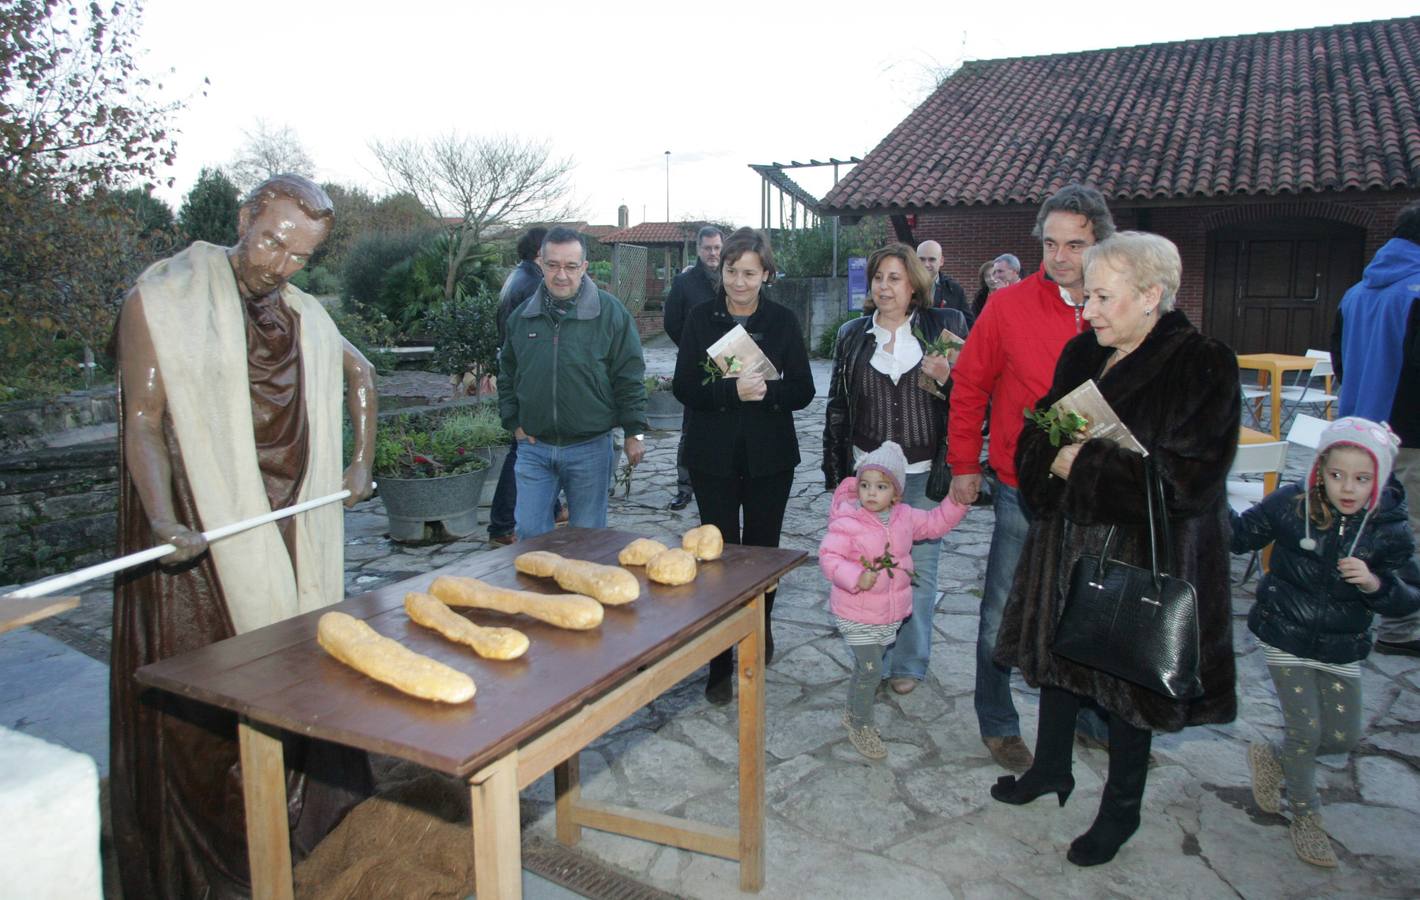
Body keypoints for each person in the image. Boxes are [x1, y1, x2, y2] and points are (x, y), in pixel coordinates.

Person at [110, 174, 377, 898]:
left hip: (284, 527)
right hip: (198, 532)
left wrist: (360, 461)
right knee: (205, 707)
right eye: (271, 242)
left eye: (300, 257)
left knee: (294, 672)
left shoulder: (304, 316)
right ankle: (216, 855)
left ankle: (294, 825)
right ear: (245, 217)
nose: (278, 265)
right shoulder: (163, 302)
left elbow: (362, 374)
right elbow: (142, 421)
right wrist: (165, 520)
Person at [990, 232, 1240, 868]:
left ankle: (1120, 811)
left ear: (1151, 295)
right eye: (1086, 297)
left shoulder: (1202, 363)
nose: (1087, 310)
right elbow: (1036, 440)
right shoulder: (1081, 354)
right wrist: (1055, 460)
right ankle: (1050, 770)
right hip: (1066, 543)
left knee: (1128, 683)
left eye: (1101, 296)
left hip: (1141, 554)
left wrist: (1086, 463)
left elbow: (1190, 484)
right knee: (1056, 659)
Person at [947, 183, 1115, 772]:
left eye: (1075, 244)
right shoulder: (1008, 306)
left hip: (1099, 491)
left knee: (1088, 608)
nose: (1060, 256)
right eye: (1050, 243)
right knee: (1001, 608)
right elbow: (968, 386)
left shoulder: (1118, 311)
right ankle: (997, 720)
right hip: (1023, 488)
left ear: (1100, 244)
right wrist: (966, 464)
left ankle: (1093, 715)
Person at [1232, 417, 1419, 867]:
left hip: (1340, 645)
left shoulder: (1388, 526)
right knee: (1305, 731)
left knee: (1339, 736)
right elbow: (1238, 536)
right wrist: (1203, 499)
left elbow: (1408, 596)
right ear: (1319, 471)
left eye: (1361, 478)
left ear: (1380, 480)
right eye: (1336, 476)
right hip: (1284, 633)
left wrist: (1374, 584)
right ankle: (1306, 816)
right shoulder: (1292, 504)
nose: (1347, 488)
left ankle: (1271, 758)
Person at [672, 227, 815, 703]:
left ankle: (760, 629)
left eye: (749, 272)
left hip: (769, 458)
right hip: (712, 456)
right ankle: (718, 660)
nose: (738, 281)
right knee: (716, 556)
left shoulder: (782, 321)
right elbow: (684, 387)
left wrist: (765, 392)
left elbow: (803, 390)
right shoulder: (700, 317)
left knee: (761, 553)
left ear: (766, 275)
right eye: (731, 270)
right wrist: (728, 391)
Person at [823, 243, 970, 694]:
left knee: (917, 573)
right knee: (864, 571)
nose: (885, 288)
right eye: (878, 278)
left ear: (914, 286)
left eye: (895, 278)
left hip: (924, 472)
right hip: (868, 475)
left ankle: (909, 662)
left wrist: (949, 380)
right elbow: (837, 408)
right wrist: (838, 478)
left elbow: (972, 396)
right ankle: (871, 658)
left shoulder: (944, 328)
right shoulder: (852, 335)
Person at [819, 441, 969, 758]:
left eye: (881, 486)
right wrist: (854, 576)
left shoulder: (905, 517)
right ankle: (860, 724)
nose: (871, 493)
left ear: (896, 492)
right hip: (854, 611)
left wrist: (956, 504)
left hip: (887, 614)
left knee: (868, 666)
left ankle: (851, 710)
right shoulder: (848, 522)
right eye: (865, 485)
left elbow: (934, 523)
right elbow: (830, 558)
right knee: (871, 670)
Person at [498, 226, 647, 538]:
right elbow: (508, 375)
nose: (561, 275)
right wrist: (514, 422)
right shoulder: (523, 318)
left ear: (584, 268)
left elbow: (629, 376)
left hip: (590, 448)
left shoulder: (611, 314)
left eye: (570, 266)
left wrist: (635, 433)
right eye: (552, 265)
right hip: (534, 448)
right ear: (540, 264)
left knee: (587, 541)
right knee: (529, 536)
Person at [1331, 199, 1420, 656]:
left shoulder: (1355, 292)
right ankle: (1400, 629)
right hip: (1409, 437)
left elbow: (1339, 363)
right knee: (1408, 533)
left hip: (1358, 431)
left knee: (1366, 527)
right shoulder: (1416, 293)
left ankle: (1362, 610)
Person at [488, 226, 551, 546]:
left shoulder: (517, 276)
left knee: (541, 444)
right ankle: (501, 526)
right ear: (540, 252)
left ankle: (552, 507)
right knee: (523, 448)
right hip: (528, 375)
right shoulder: (534, 284)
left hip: (517, 369)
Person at [664, 226, 723, 511]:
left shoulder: (732, 277)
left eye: (716, 248)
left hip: (731, 365)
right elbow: (671, 322)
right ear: (698, 249)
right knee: (691, 428)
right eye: (707, 248)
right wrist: (692, 351)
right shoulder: (684, 282)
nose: (712, 253)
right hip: (696, 368)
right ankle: (685, 487)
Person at [916, 239, 975, 326]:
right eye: (922, 259)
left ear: (941, 261)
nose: (926, 264)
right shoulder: (904, 287)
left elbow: (969, 324)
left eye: (932, 259)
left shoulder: (954, 290)